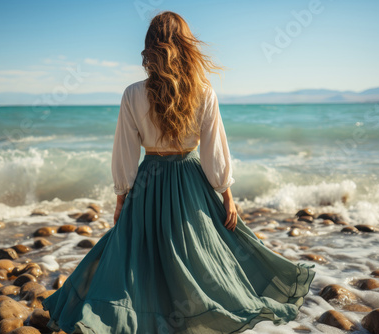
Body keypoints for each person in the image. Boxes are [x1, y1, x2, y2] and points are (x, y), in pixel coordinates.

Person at [42, 11, 316, 334]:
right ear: (186, 46)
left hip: (148, 182)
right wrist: (227, 196)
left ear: (149, 48)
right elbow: (215, 154)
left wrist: (121, 199)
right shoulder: (204, 92)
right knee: (197, 253)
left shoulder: (132, 94)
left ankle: (140, 315)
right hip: (190, 181)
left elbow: (125, 154)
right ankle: (196, 314)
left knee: (141, 257)